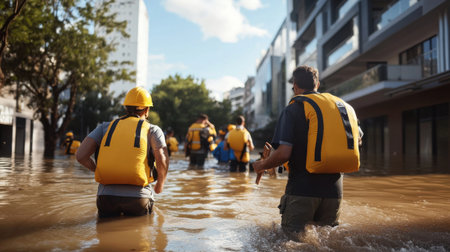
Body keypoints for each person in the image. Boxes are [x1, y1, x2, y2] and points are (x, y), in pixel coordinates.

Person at [252, 65, 361, 235]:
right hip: (334, 193)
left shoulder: (293, 109)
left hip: (302, 190)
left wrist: (262, 165)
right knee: (328, 241)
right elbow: (358, 140)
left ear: (295, 85)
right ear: (317, 84)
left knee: (290, 241)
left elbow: (283, 154)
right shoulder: (344, 109)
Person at [76, 87, 169, 218]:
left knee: (105, 236)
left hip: (106, 197)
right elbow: (161, 158)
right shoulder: (153, 130)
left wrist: (98, 170)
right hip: (138, 198)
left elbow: (80, 156)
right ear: (147, 110)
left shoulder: (104, 127)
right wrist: (160, 184)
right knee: (141, 234)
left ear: (126, 108)